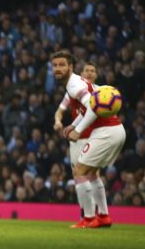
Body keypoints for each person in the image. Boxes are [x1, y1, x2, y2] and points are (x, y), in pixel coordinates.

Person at [51, 51, 126, 228]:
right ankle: (103, 216)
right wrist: (73, 124)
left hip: (106, 131)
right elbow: (88, 107)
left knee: (79, 172)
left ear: (71, 67)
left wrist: (78, 129)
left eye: (62, 65)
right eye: (55, 65)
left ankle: (89, 219)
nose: (58, 69)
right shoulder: (75, 83)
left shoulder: (74, 86)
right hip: (113, 129)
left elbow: (93, 109)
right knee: (91, 173)